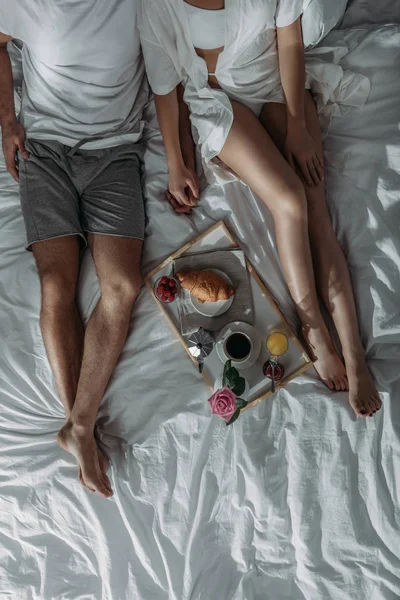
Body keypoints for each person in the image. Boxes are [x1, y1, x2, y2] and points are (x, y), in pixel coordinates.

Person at [138, 0, 382, 417]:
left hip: (273, 83)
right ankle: (314, 328)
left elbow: (290, 39)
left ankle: (356, 357)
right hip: (219, 100)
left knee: (317, 215)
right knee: (290, 201)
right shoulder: (156, 5)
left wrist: (299, 129)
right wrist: (177, 163)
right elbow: (164, 85)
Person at [0, 0, 149, 498]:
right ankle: (79, 426)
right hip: (43, 149)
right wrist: (7, 120)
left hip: (116, 149)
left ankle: (78, 426)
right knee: (55, 284)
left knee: (123, 285)